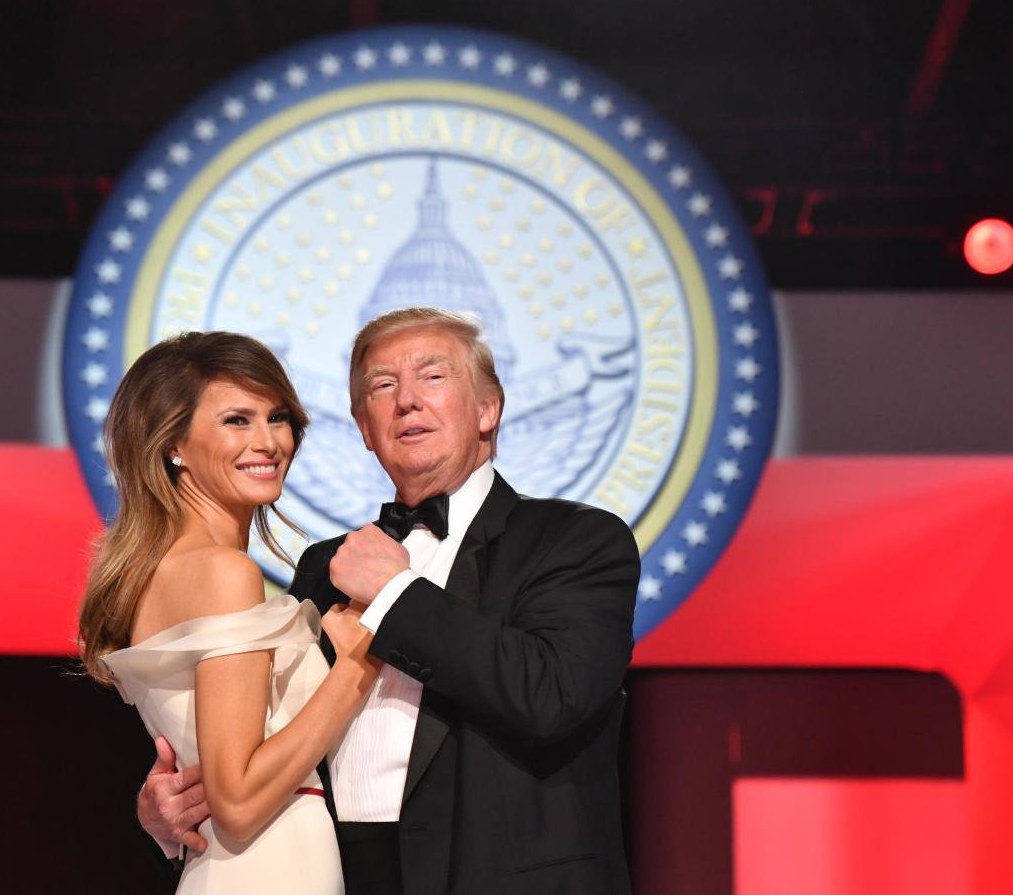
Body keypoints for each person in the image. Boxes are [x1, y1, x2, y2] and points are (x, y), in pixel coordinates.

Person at [140, 307, 641, 894]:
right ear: (364, 427)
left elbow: (550, 695)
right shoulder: (325, 567)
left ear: (488, 408)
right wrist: (173, 808)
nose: (407, 400)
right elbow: (268, 743)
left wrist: (395, 594)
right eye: (383, 385)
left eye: (433, 377)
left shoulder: (575, 539)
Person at [79, 331, 379, 894]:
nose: (268, 441)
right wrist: (358, 665)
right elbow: (237, 800)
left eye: (278, 417)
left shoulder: (171, 567)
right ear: (172, 443)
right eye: (237, 420)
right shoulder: (223, 573)